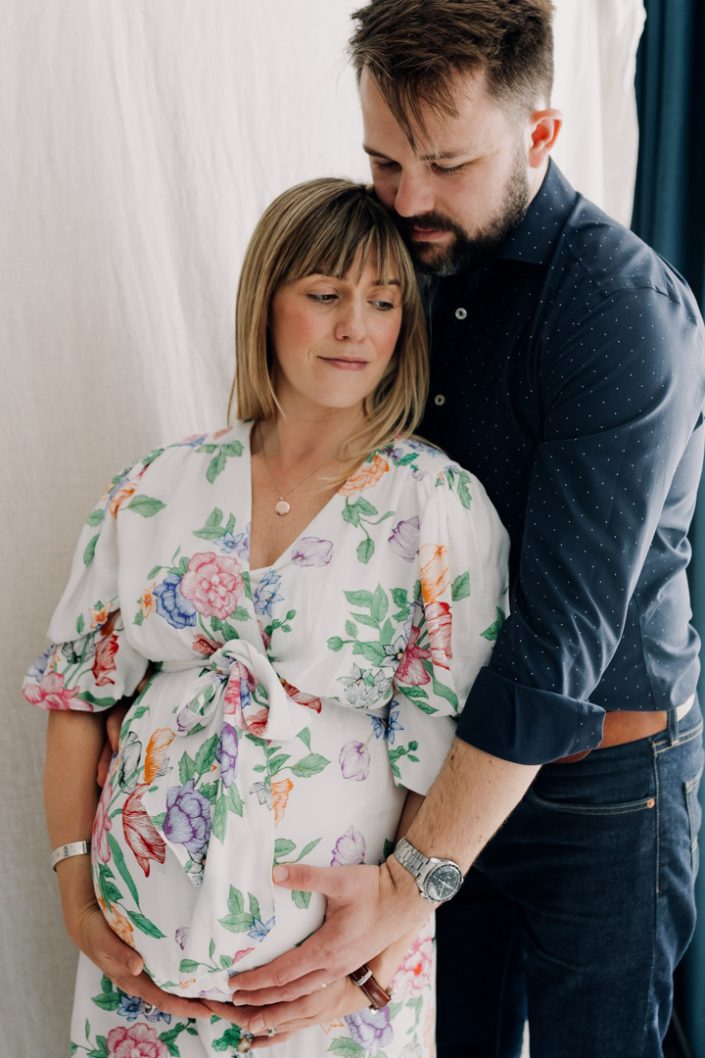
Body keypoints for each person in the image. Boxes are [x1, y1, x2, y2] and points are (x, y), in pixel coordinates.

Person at [223, 3, 705, 1057]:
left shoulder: (623, 314)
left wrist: (413, 881)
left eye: (446, 163)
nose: (408, 200)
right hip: (433, 770)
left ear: (541, 134)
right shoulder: (398, 271)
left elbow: (557, 644)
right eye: (384, 160)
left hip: (601, 791)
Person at [23, 177, 509, 1057]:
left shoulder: (436, 504)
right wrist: (74, 897)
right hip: (138, 982)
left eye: (382, 300)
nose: (353, 325)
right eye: (323, 295)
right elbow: (76, 696)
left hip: (325, 992)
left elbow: (447, 758)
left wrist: (367, 971)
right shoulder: (152, 488)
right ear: (266, 304)